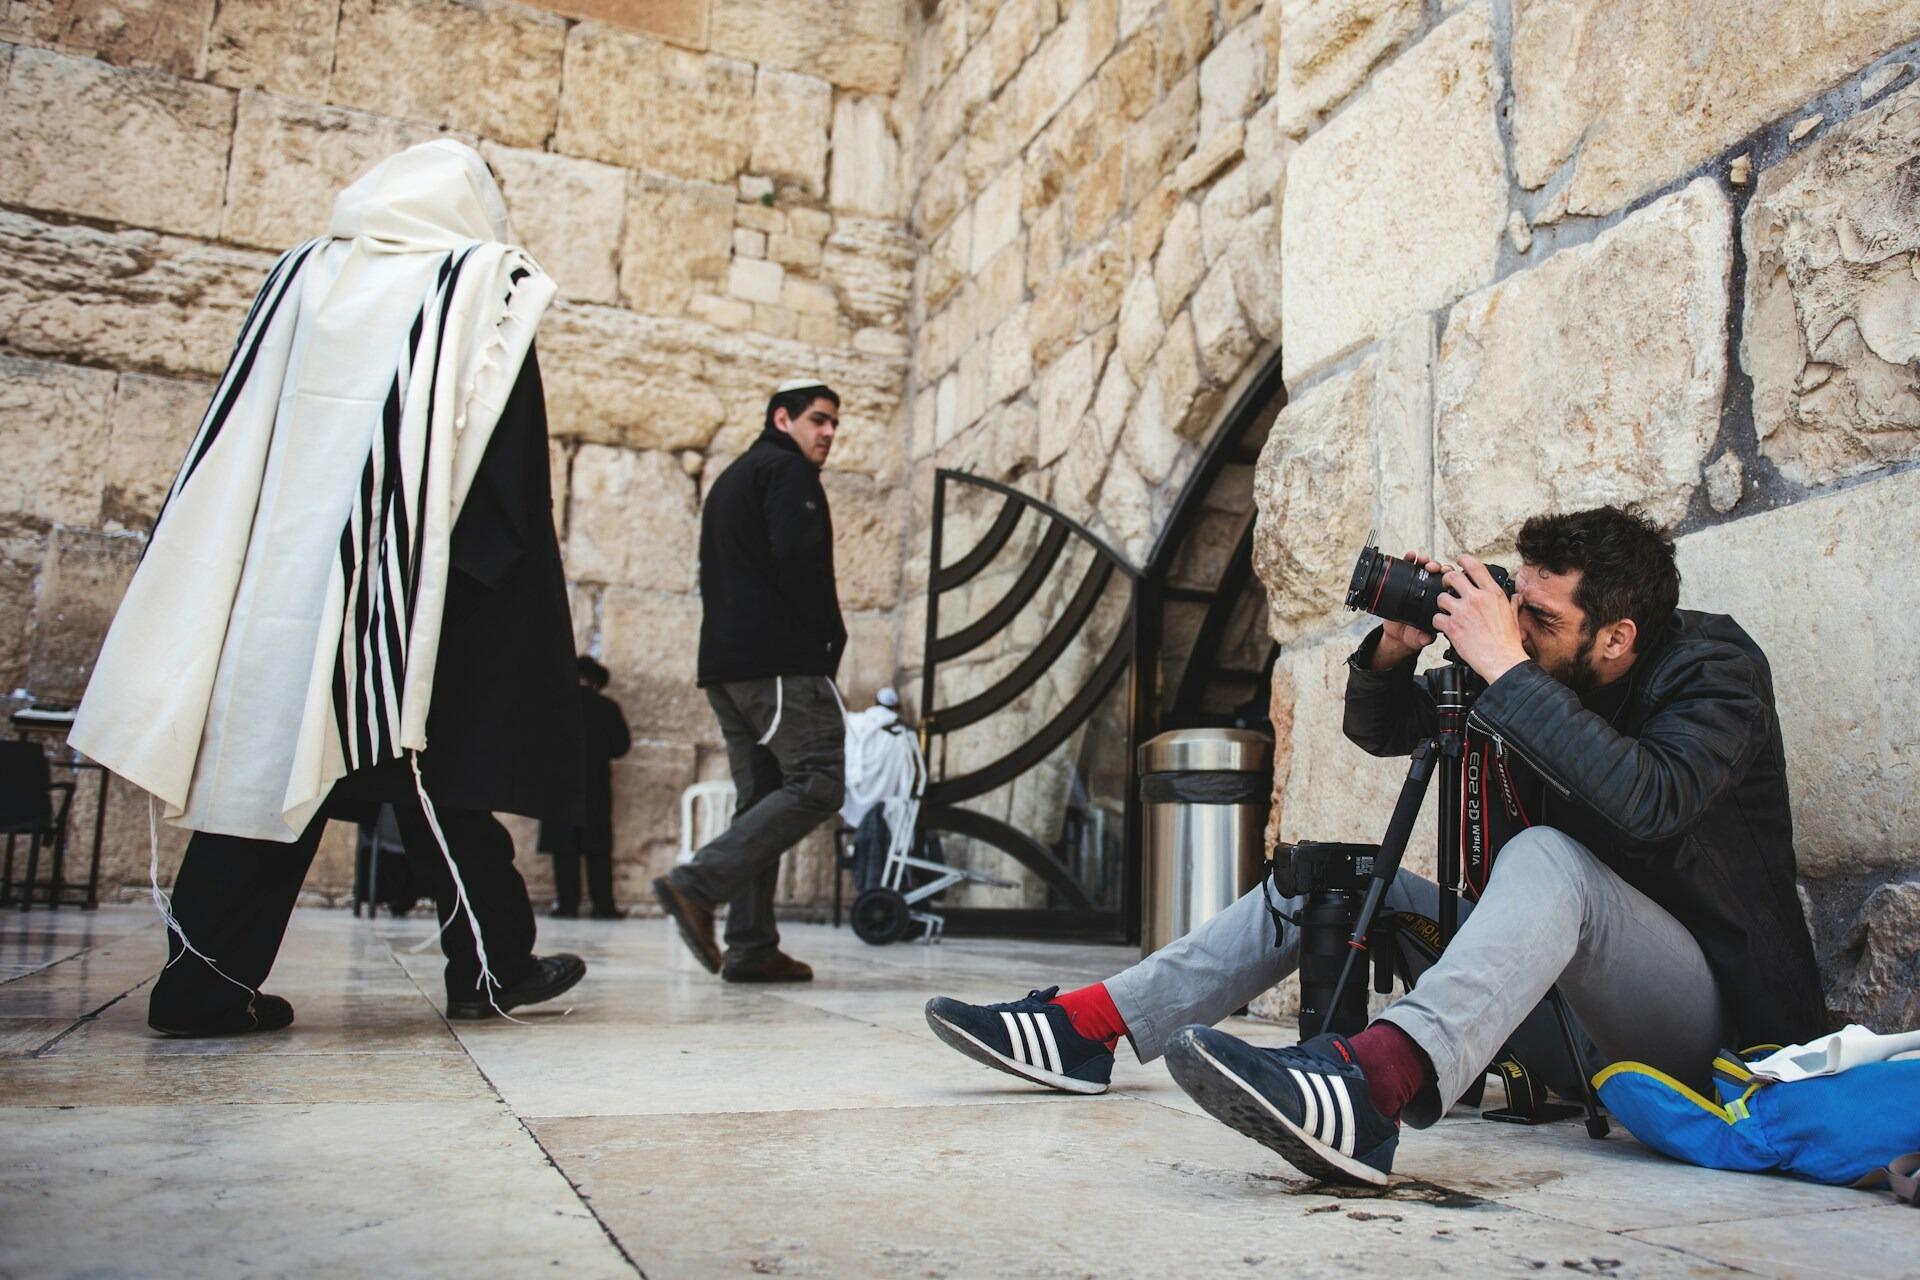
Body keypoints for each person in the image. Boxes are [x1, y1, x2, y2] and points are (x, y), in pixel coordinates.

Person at [923, 506, 1826, 1187]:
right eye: (1519, 605)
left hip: (1704, 1034)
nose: (1519, 630)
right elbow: (1385, 729)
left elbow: (1651, 802)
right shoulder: (1536, 670)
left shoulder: (1713, 669)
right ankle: (1088, 1028)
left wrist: (1505, 664)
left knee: (1550, 859)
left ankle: (1369, 1092)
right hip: (1559, 1023)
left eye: (1542, 619)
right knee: (1339, 876)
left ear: (1619, 636)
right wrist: (1397, 647)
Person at [69, 140, 588, 1034]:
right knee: (434, 782)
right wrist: (486, 598)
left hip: (284, 581)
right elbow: (502, 464)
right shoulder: (483, 281)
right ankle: (494, 968)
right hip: (417, 587)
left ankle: (202, 982)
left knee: (267, 773)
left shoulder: (304, 276)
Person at [652, 379, 847, 984]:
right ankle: (697, 884)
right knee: (817, 782)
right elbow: (800, 563)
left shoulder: (735, 476)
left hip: (729, 670)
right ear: (782, 419)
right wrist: (827, 641)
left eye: (834, 424)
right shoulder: (786, 471)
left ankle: (752, 945)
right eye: (818, 419)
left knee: (761, 799)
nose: (829, 432)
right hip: (779, 664)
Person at [540, 656, 632, 919]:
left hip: (559, 786)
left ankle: (567, 905)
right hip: (595, 786)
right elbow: (621, 747)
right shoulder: (607, 707)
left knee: (563, 847)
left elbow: (537, 745)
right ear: (595, 682)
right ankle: (603, 906)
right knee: (597, 848)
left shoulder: (554, 707)